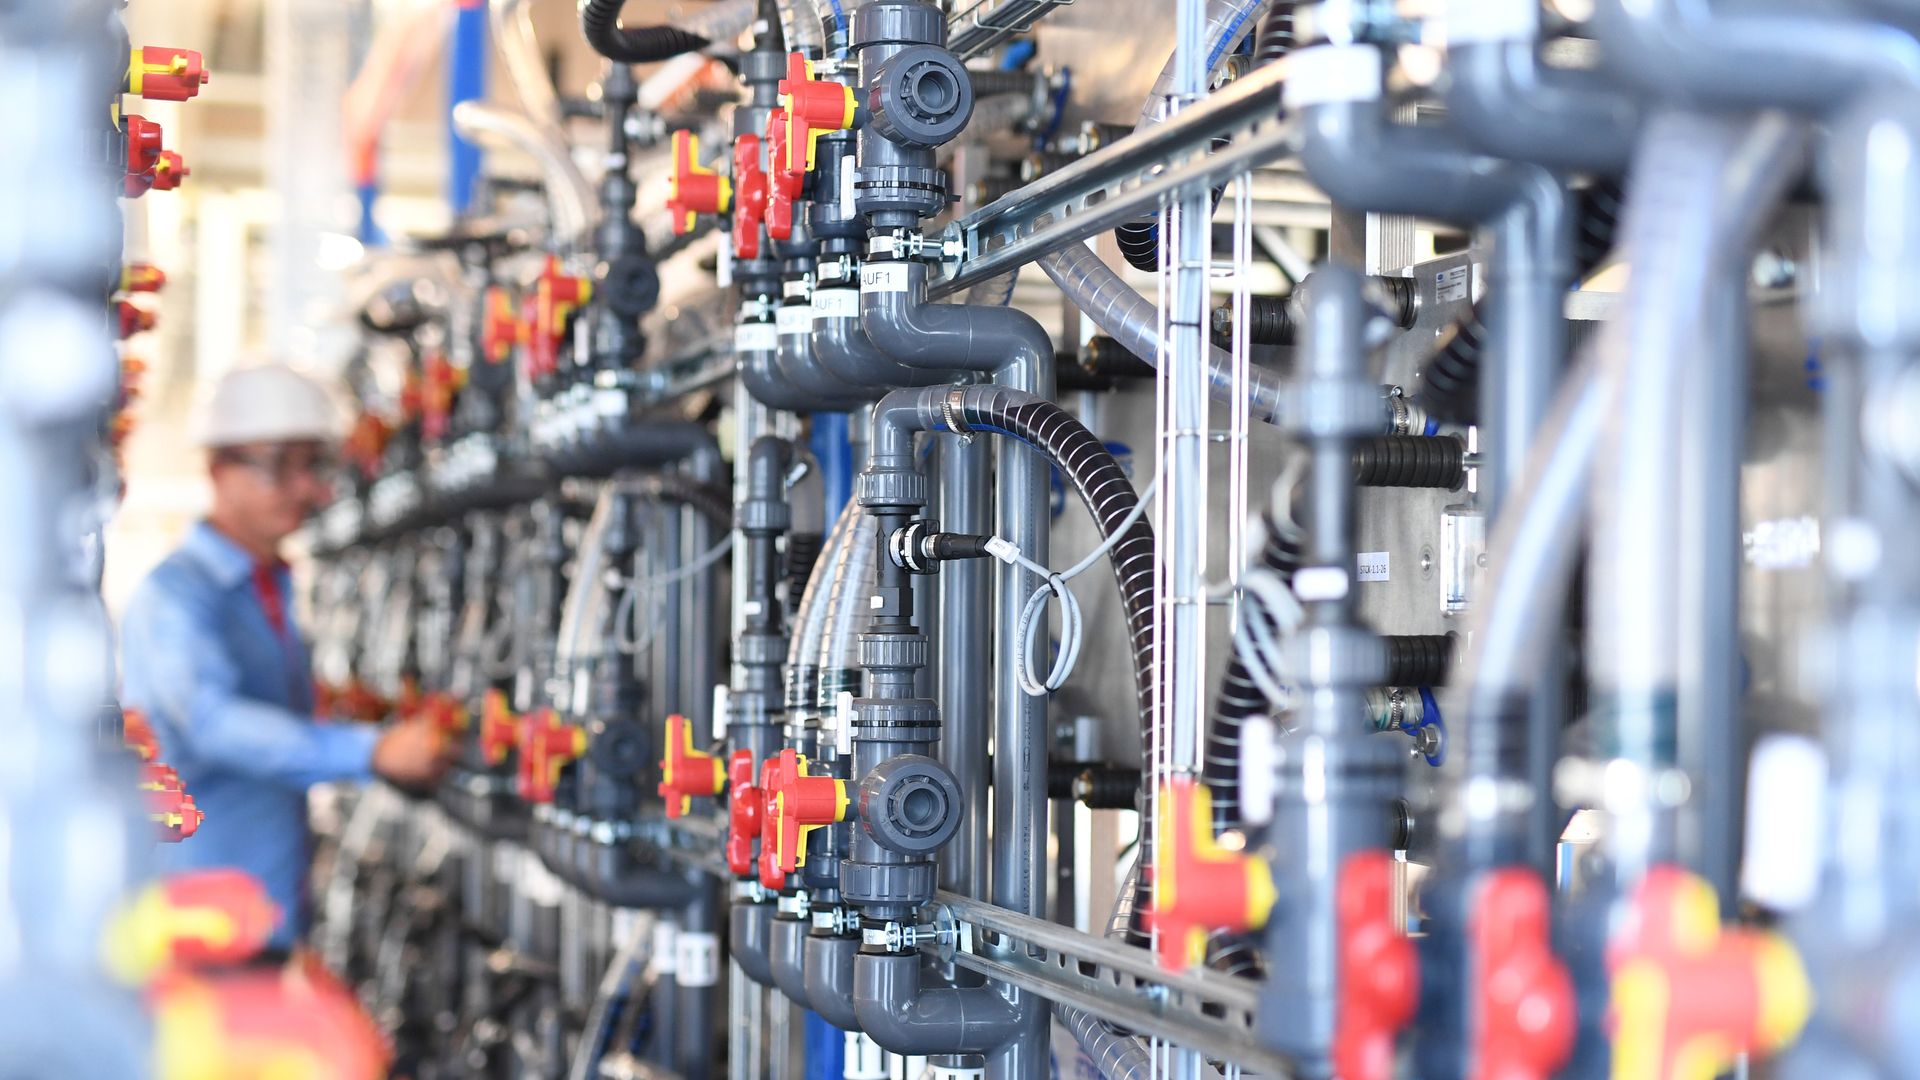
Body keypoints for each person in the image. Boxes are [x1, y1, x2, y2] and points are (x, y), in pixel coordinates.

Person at [120, 363, 451, 951]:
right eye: (279, 466)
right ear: (218, 468)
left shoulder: (267, 584)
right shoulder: (176, 596)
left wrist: (341, 714)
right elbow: (212, 724)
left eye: (312, 466)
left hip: (267, 916)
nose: (306, 489)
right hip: (202, 927)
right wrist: (371, 750)